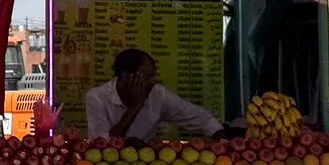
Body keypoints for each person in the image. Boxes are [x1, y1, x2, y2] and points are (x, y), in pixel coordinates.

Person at [84, 48, 224, 143]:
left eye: (153, 76)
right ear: (126, 77)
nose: (152, 82)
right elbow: (102, 144)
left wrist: (224, 141)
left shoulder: (158, 95)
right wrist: (135, 107)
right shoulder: (97, 97)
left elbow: (202, 119)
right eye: (147, 77)